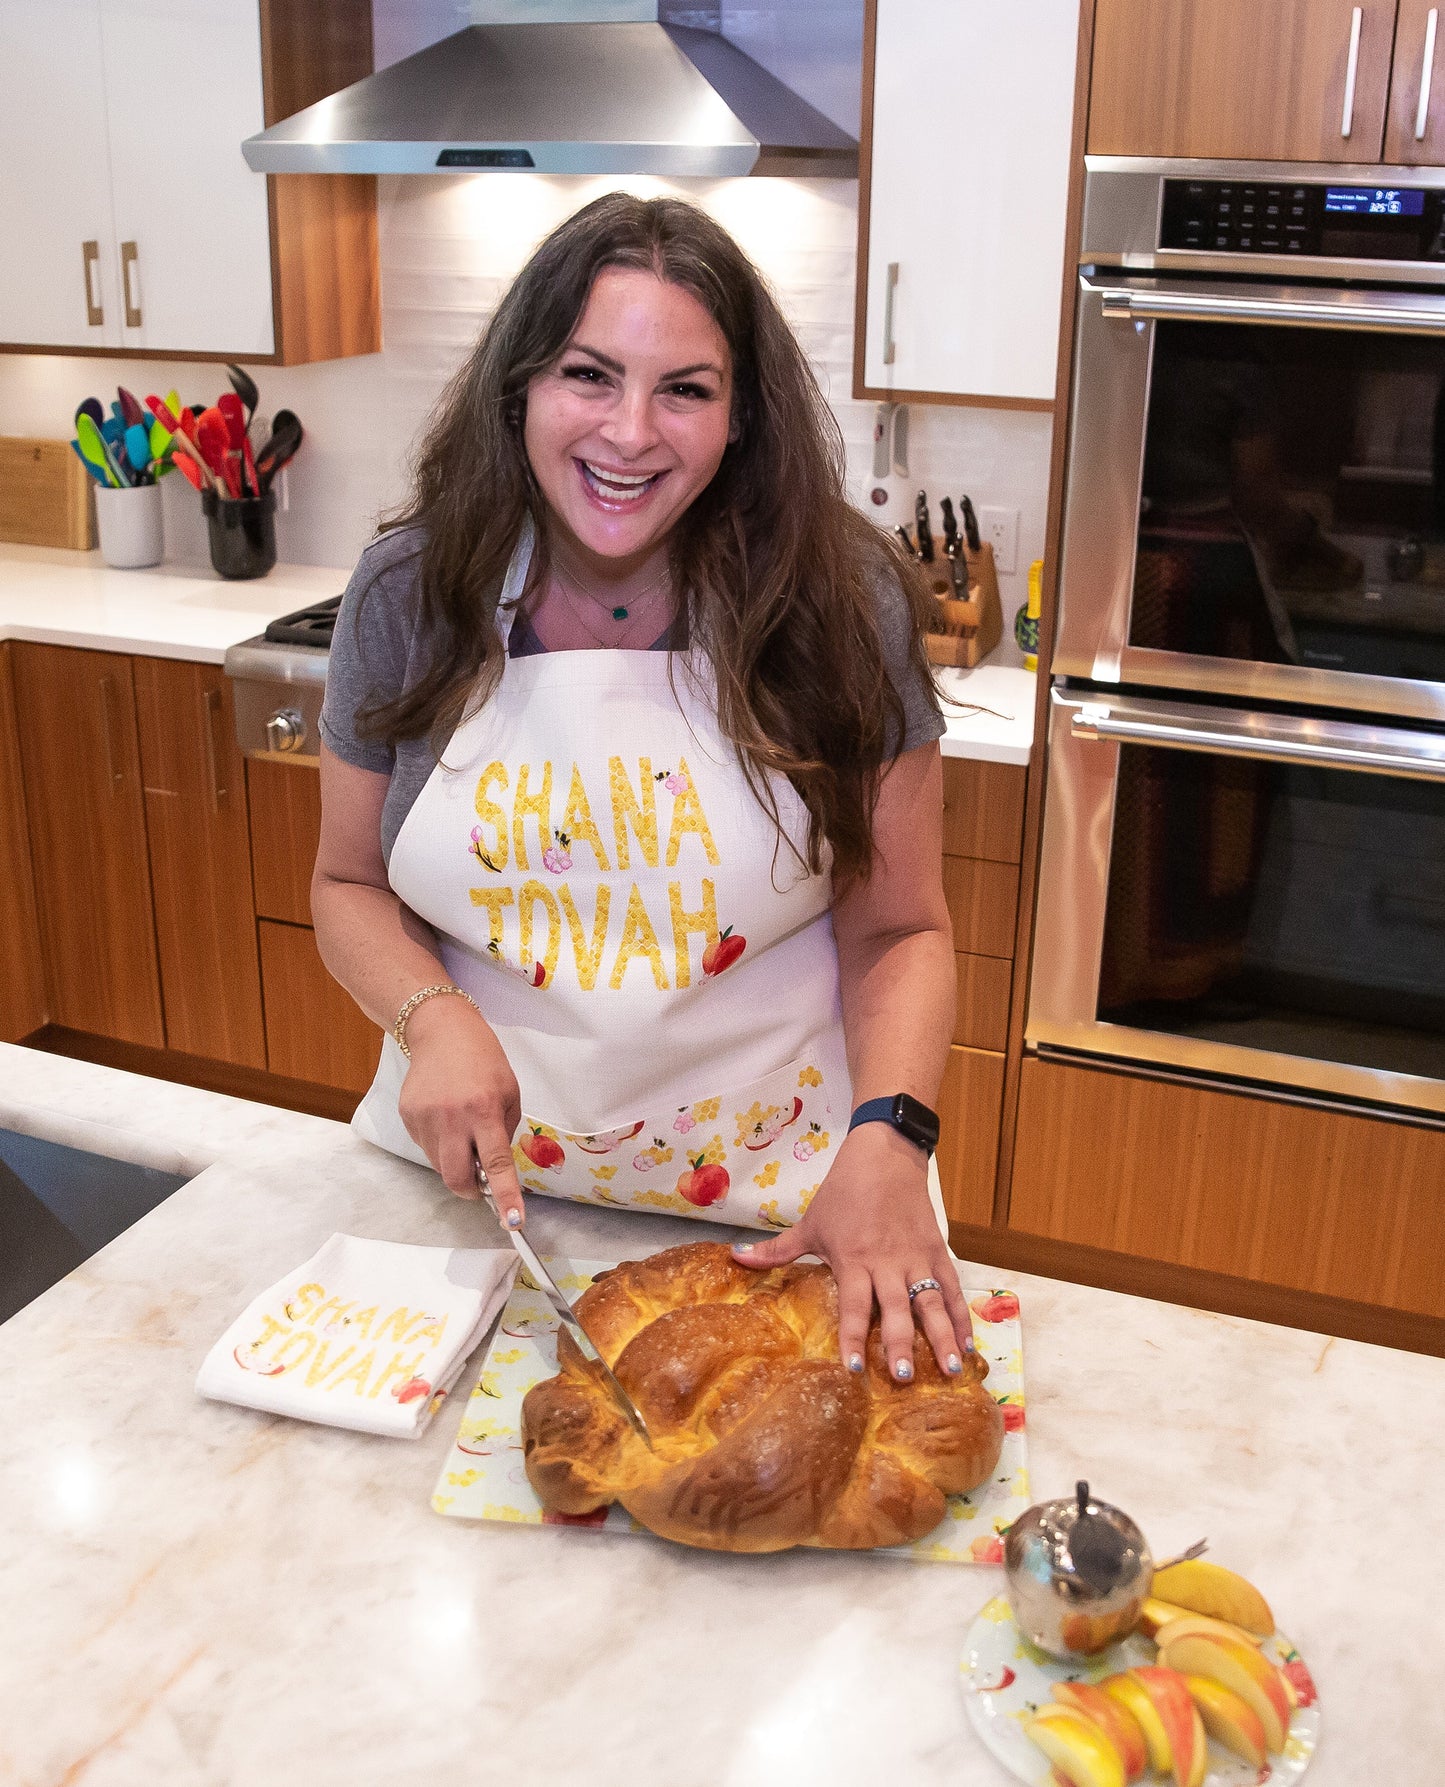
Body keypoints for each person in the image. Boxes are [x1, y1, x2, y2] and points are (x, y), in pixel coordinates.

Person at [313, 193, 970, 1385]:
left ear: (739, 420)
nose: (628, 432)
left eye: (685, 388)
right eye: (587, 374)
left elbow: (903, 926)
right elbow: (349, 882)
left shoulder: (840, 602)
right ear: (518, 385)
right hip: (478, 1212)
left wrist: (893, 1137)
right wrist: (431, 1017)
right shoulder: (409, 591)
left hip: (790, 1216)